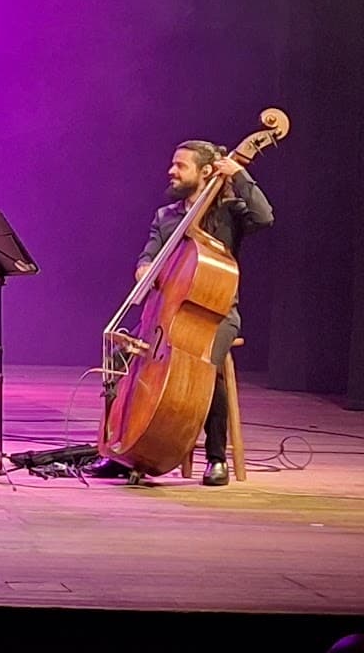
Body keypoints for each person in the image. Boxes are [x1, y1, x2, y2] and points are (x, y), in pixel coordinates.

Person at [94, 140, 273, 485]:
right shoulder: (166, 216)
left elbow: (265, 217)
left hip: (216, 314)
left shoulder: (229, 212)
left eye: (181, 166)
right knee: (121, 357)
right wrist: (145, 269)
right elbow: (148, 256)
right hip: (166, 314)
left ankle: (216, 457)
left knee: (206, 365)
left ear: (206, 171)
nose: (171, 171)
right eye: (172, 164)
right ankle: (119, 447)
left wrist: (239, 172)